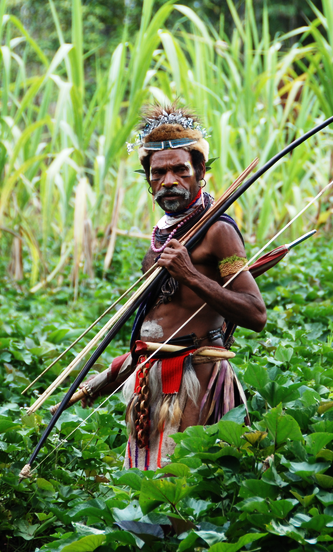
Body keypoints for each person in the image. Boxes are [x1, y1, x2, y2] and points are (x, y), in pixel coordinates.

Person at [77, 104, 267, 470]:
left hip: (197, 380)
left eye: (180, 170)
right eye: (158, 172)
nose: (169, 180)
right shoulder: (163, 234)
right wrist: (113, 374)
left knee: (184, 491)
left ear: (199, 173)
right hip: (151, 379)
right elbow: (158, 324)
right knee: (146, 496)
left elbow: (255, 314)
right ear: (148, 179)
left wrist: (191, 275)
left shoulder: (218, 232)